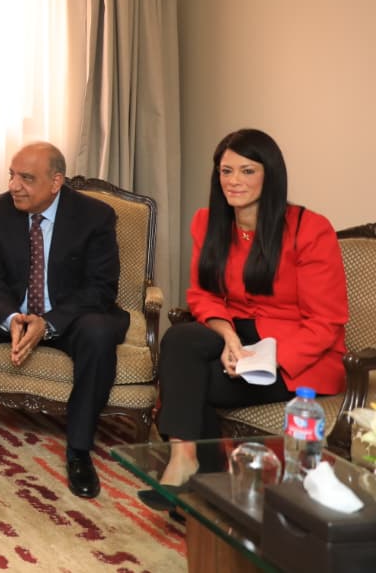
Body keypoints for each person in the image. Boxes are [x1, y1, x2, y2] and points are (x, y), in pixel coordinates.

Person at [143, 129, 347, 507]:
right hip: (238, 332)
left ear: (270, 175)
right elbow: (202, 294)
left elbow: (326, 322)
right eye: (226, 171)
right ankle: (184, 459)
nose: (234, 181)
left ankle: (201, 486)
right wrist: (228, 337)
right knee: (181, 339)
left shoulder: (309, 229)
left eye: (247, 171)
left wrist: (263, 359)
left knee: (193, 379)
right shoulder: (208, 222)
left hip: (298, 355)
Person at [0, 142, 126, 499]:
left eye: (26, 178)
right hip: (15, 311)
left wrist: (48, 322)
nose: (14, 186)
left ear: (56, 182)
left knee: (99, 334)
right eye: (11, 175)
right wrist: (10, 317)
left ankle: (79, 449)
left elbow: (101, 288)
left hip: (70, 317)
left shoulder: (95, 216)